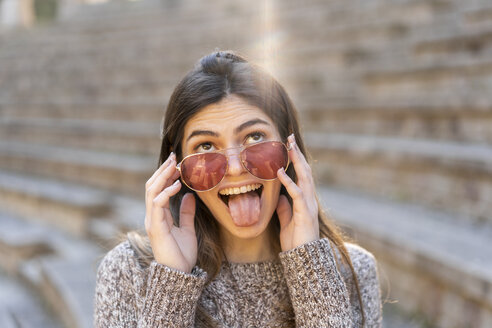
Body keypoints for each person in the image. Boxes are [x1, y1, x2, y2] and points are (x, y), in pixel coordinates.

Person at [94, 50, 383, 327]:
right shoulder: (128, 271)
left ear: (290, 147)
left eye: (255, 137)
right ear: (177, 165)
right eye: (205, 146)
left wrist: (310, 269)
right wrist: (172, 283)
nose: (234, 168)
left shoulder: (352, 271)